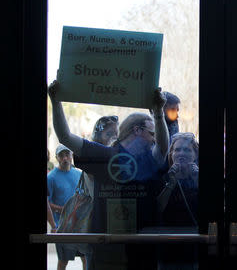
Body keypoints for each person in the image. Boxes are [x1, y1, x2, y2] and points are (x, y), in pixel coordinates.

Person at [48, 80, 170, 269]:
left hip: (143, 248)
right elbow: (65, 137)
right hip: (106, 248)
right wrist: (55, 102)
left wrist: (159, 115)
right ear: (137, 130)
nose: (155, 138)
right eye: (151, 133)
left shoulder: (148, 159)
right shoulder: (105, 155)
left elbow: (163, 148)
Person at [156, 132, 199, 269]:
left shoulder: (201, 177)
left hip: (195, 245)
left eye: (187, 150)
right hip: (167, 244)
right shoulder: (162, 178)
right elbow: (158, 208)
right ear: (171, 155)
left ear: (195, 155)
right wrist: (171, 183)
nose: (182, 153)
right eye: (177, 149)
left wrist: (197, 180)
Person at [47, 144, 86, 270]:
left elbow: (84, 196)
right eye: (61, 155)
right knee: (63, 261)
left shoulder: (79, 174)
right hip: (62, 226)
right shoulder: (51, 177)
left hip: (79, 225)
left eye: (67, 155)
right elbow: (47, 203)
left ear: (71, 156)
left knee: (85, 258)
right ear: (57, 158)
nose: (65, 158)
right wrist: (55, 223)